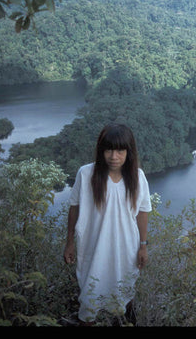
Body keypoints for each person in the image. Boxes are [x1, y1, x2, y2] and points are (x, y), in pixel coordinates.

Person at [63, 123, 152, 325]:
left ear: (129, 152)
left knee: (125, 291)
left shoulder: (138, 178)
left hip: (126, 249)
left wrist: (143, 246)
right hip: (93, 247)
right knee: (90, 297)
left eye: (120, 150)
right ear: (101, 150)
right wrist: (69, 241)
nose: (114, 156)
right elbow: (74, 208)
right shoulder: (86, 174)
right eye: (109, 149)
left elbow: (143, 213)